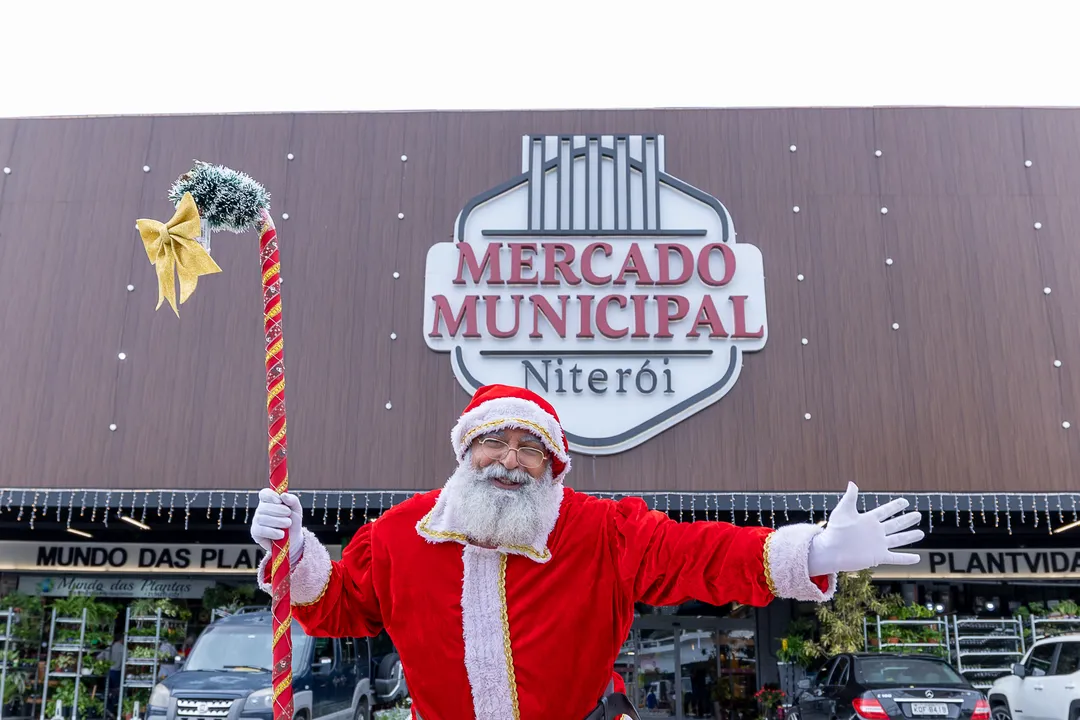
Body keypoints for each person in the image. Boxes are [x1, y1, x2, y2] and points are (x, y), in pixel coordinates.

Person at [251, 384, 923, 720]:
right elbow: (338, 609)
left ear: (554, 463)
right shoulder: (401, 533)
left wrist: (816, 550)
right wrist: (295, 550)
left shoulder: (600, 531)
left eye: (530, 447)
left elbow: (701, 554)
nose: (509, 462)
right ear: (465, 450)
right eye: (494, 442)